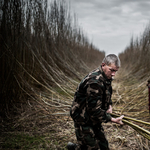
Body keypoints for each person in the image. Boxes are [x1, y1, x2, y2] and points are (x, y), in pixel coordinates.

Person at [67, 54, 124, 150]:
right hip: (83, 118)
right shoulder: (94, 82)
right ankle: (75, 147)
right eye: (112, 70)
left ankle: (78, 146)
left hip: (94, 118)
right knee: (91, 147)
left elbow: (106, 93)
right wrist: (112, 119)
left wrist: (109, 105)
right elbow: (93, 110)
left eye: (116, 71)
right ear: (103, 65)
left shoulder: (106, 77)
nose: (114, 74)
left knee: (104, 146)